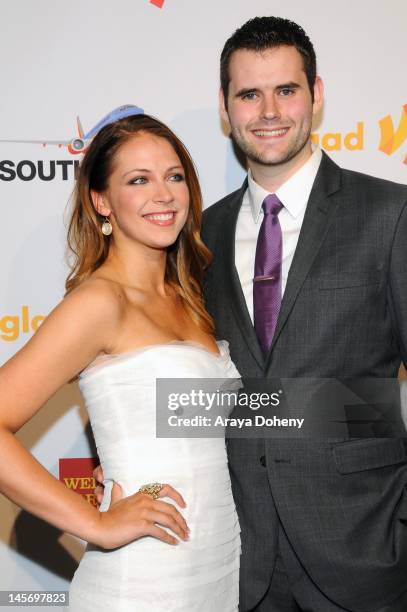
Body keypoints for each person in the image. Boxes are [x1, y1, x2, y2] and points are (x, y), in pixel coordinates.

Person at [200, 15, 407, 612]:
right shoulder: (199, 235)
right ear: (225, 106)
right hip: (241, 561)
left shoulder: (389, 215)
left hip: (365, 554)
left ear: (316, 95)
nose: (268, 111)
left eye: (286, 90)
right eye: (248, 94)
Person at [0, 111, 240, 610]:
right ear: (101, 200)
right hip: (144, 580)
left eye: (174, 176)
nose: (164, 194)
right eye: (138, 180)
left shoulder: (193, 297)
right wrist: (96, 524)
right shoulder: (100, 303)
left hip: (221, 571)